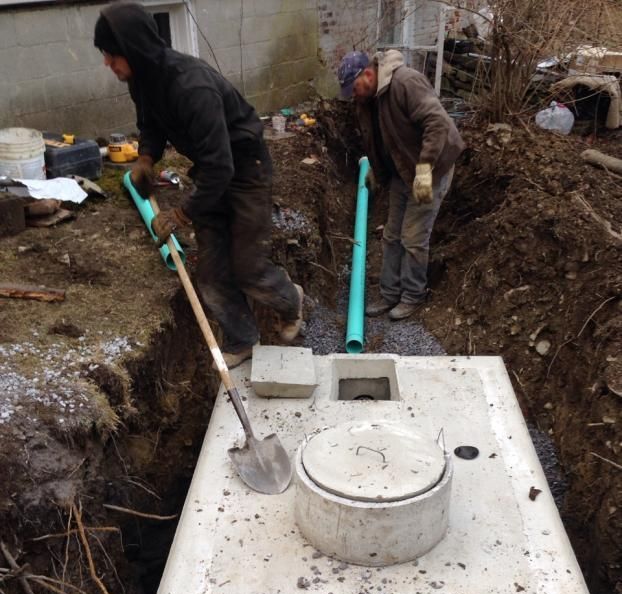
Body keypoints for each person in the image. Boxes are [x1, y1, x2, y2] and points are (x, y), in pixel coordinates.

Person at [94, 3, 303, 367]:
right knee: (211, 273)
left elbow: (222, 168)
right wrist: (145, 158)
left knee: (248, 266)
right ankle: (242, 339)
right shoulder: (142, 81)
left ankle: (291, 301)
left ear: (133, 49)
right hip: (212, 168)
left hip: (245, 170)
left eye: (111, 55)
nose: (107, 64)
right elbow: (151, 126)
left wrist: (180, 214)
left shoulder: (192, 87)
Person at [338, 50, 465, 320]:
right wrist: (375, 166)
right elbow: (381, 138)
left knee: (413, 237)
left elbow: (437, 123)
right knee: (392, 235)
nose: (353, 95)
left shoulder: (405, 83)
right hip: (402, 171)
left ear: (368, 74)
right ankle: (389, 294)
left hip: (428, 170)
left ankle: (412, 296)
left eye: (354, 88)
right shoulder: (367, 100)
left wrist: (424, 169)